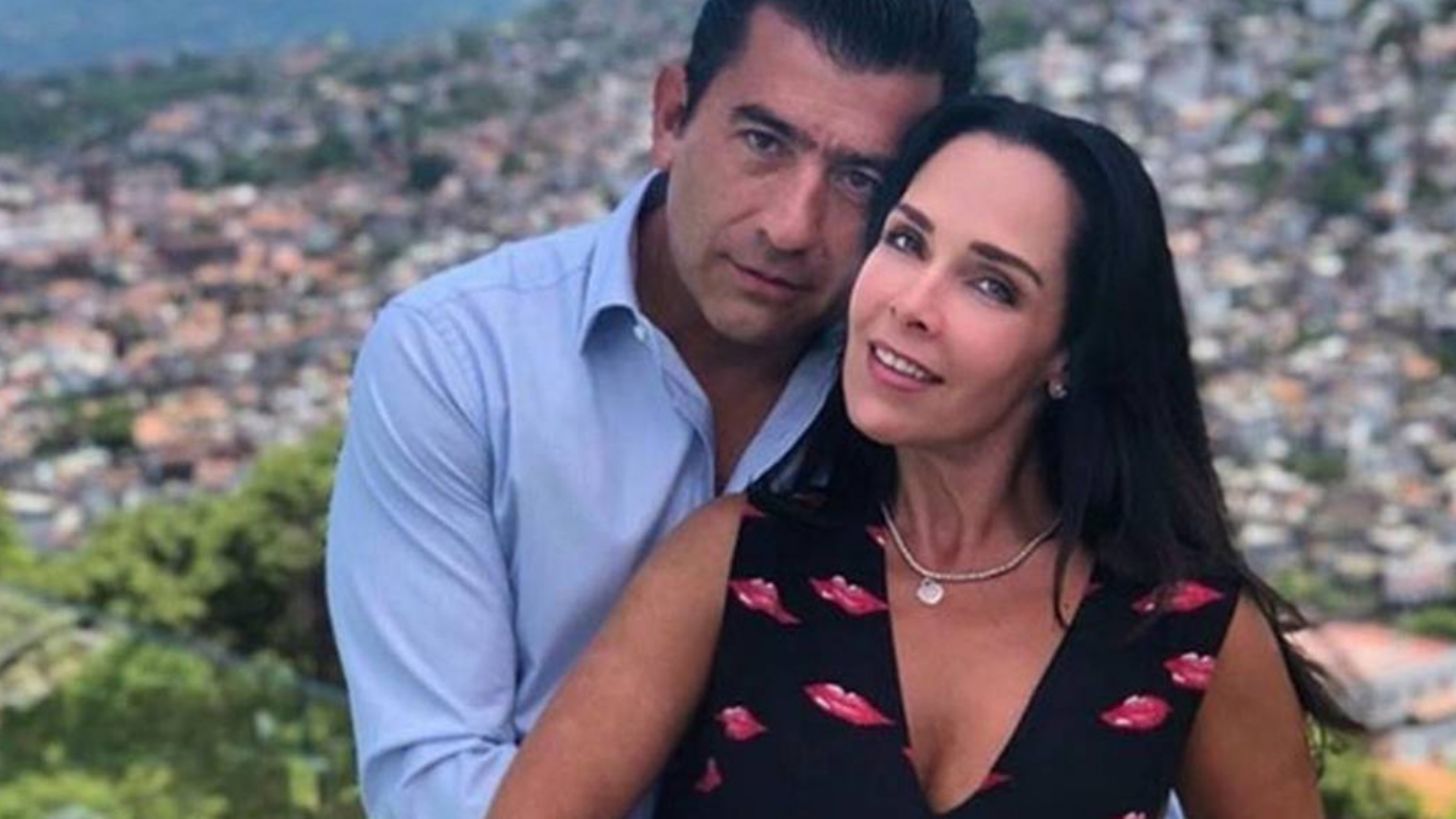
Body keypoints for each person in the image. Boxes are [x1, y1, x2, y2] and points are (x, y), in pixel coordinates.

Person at [485, 96, 1358, 819]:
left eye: (991, 284)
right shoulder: (732, 568)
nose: (912, 303)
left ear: (1068, 355)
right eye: (905, 241)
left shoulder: (1188, 631)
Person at [324, 2, 980, 817]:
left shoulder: (934, 393)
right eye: (763, 142)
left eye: (861, 181)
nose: (790, 227)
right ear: (672, 115)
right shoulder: (463, 361)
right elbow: (432, 781)